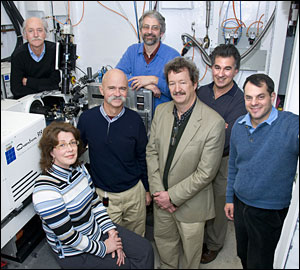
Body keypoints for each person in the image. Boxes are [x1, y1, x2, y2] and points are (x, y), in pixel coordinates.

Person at [32, 121, 154, 269]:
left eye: (72, 143)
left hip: (96, 231)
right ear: (51, 151)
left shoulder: (80, 170)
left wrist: (111, 233)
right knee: (125, 265)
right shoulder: (45, 191)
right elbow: (68, 237)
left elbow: (95, 204)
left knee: (145, 250)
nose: (70, 149)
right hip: (74, 251)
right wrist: (105, 248)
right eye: (62, 145)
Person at [146, 56, 226, 269]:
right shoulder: (161, 112)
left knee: (191, 257)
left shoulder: (213, 122)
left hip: (192, 205)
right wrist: (158, 192)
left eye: (182, 82)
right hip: (160, 200)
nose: (177, 88)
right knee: (164, 247)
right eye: (172, 83)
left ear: (195, 84)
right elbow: (151, 152)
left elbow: (206, 172)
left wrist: (172, 196)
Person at [224, 73, 299, 269]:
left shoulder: (290, 124)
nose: (254, 103)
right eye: (249, 97)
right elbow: (233, 164)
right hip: (241, 203)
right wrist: (229, 198)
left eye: (260, 96)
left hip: (269, 210)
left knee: (260, 263)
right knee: (243, 254)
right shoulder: (239, 126)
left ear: (272, 97)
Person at [77, 69, 151, 237]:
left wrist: (146, 189)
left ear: (127, 91)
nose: (117, 94)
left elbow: (143, 157)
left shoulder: (135, 120)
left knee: (137, 241)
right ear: (102, 90)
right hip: (105, 197)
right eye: (111, 88)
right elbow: (76, 152)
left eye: (122, 89)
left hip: (134, 194)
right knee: (111, 242)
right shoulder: (87, 119)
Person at [196, 44, 247, 264]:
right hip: (197, 158)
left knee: (218, 204)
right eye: (217, 67)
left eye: (227, 69)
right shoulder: (201, 92)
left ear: (236, 71)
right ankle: (196, 239)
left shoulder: (240, 100)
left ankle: (214, 244)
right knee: (197, 200)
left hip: (224, 160)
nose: (221, 74)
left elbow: (227, 136)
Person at [116, 10, 180, 110]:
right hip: (135, 114)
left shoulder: (173, 56)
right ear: (140, 31)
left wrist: (155, 80)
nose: (149, 31)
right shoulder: (132, 51)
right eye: (146, 27)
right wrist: (144, 85)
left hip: (164, 117)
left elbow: (179, 90)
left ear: (161, 33)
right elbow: (117, 77)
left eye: (155, 28)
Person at [10, 17, 60, 99]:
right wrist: (44, 88)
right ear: (25, 35)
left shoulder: (55, 51)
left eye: (39, 30)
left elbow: (55, 84)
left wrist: (28, 81)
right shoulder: (18, 55)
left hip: (52, 99)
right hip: (27, 102)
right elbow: (16, 90)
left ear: (45, 34)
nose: (36, 35)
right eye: (30, 31)